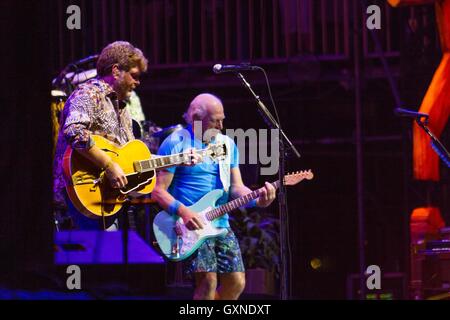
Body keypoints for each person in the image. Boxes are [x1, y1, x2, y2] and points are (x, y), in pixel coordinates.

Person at [151, 93, 277, 300]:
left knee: (237, 282)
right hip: (192, 226)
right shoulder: (175, 143)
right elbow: (158, 191)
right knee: (208, 282)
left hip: (221, 223)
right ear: (196, 118)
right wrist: (184, 212)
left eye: (222, 119)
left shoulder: (227, 145)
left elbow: (237, 187)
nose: (220, 125)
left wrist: (258, 199)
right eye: (215, 120)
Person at [52, 41, 148, 230]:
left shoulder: (123, 110)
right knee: (103, 257)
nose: (138, 82)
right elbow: (74, 131)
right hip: (85, 190)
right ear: (116, 71)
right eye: (134, 76)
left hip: (109, 194)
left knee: (116, 256)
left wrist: (176, 160)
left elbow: (125, 157)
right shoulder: (88, 93)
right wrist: (109, 165)